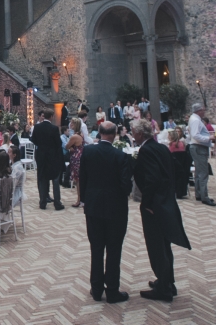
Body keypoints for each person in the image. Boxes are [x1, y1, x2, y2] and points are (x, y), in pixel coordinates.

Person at [132, 119, 191, 302]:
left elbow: (152, 178)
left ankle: (164, 289)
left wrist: (148, 203)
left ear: (140, 134)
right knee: (164, 245)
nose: (133, 135)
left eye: (134, 132)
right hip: (166, 201)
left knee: (156, 245)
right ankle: (167, 281)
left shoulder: (146, 150)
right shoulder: (162, 148)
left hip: (155, 205)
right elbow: (179, 170)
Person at [80, 121, 132, 303]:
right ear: (115, 134)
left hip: (93, 207)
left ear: (99, 133)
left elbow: (82, 178)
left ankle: (96, 289)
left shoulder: (88, 152)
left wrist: (86, 199)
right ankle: (112, 291)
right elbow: (127, 187)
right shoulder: (121, 156)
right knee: (114, 249)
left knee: (96, 248)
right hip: (115, 209)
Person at [31, 109, 65, 211]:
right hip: (52, 156)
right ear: (51, 117)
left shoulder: (37, 127)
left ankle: (42, 203)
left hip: (41, 156)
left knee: (42, 178)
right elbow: (58, 144)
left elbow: (33, 140)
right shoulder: (54, 128)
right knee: (55, 179)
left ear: (44, 116)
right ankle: (57, 203)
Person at [186, 103, 215, 206]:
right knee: (203, 173)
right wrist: (209, 138)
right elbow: (195, 135)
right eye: (203, 110)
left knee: (199, 172)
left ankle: (199, 194)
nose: (204, 112)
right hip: (199, 147)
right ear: (199, 111)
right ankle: (204, 196)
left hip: (196, 147)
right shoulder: (196, 120)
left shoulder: (193, 119)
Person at [66, 118, 85, 207]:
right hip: (81, 156)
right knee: (80, 179)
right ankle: (81, 199)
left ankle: (79, 200)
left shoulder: (74, 137)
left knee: (78, 180)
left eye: (72, 123)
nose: (70, 124)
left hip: (76, 158)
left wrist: (70, 147)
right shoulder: (81, 134)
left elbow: (66, 146)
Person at [167, 128, 190, 199]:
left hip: (174, 167)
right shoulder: (182, 143)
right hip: (182, 166)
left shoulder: (171, 145)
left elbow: (169, 155)